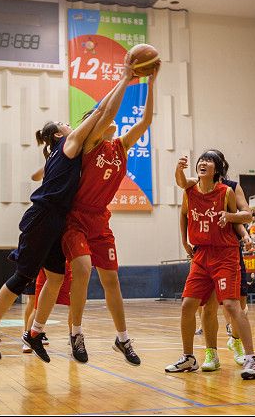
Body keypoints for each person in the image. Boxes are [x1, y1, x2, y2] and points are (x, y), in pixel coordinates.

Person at [0, 63, 135, 364]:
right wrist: (124, 79)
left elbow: (102, 117)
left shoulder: (69, 148)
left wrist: (122, 83)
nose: (69, 124)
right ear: (58, 134)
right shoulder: (69, 143)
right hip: (43, 216)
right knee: (23, 277)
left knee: (57, 278)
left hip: (58, 221)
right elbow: (102, 113)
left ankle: (35, 332)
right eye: (64, 122)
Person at [61, 66, 158, 365]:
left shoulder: (121, 146)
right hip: (76, 218)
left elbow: (146, 121)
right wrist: (125, 79)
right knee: (82, 269)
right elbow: (102, 113)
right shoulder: (90, 145)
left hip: (100, 220)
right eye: (104, 119)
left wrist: (151, 83)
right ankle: (76, 332)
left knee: (112, 281)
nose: (112, 121)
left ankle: (122, 338)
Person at [165, 151, 255, 380]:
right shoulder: (190, 190)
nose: (203, 163)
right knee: (188, 305)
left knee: (231, 304)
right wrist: (184, 241)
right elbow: (182, 207)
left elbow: (242, 216)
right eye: (201, 160)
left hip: (224, 254)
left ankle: (252, 359)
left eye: (209, 161)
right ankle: (189, 357)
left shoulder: (227, 191)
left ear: (217, 169)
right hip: (201, 255)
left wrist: (230, 219)